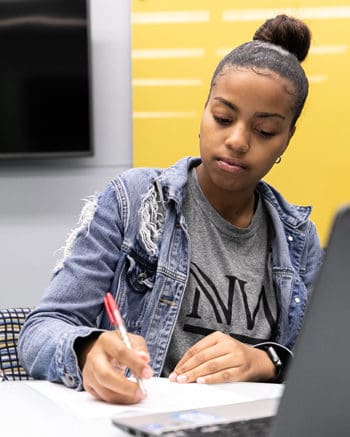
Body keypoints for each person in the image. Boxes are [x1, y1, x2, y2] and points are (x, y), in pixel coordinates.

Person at [19, 14, 323, 405]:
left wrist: (266, 360)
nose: (237, 140)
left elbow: (325, 363)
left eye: (264, 131)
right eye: (223, 117)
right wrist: (86, 351)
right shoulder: (134, 201)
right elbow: (41, 329)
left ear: (287, 139)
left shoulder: (298, 239)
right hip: (142, 418)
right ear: (203, 113)